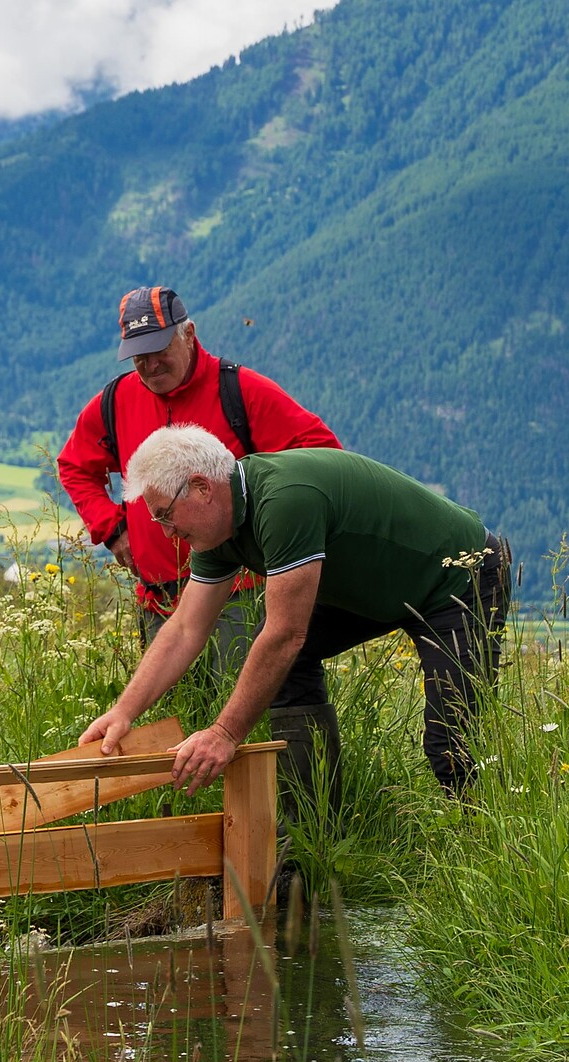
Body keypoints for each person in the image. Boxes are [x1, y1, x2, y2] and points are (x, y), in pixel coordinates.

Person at [80, 425, 511, 795]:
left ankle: (485, 856)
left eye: (166, 516)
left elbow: (286, 635)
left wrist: (224, 734)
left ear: (201, 487)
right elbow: (186, 629)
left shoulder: (285, 501)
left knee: (450, 745)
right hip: (383, 587)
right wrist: (123, 712)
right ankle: (312, 828)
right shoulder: (216, 531)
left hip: (460, 578)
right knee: (282, 666)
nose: (168, 532)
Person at [58, 286, 346, 801]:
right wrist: (112, 526)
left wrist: (274, 535)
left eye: (159, 351)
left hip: (240, 592)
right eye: (137, 356)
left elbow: (321, 454)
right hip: (161, 601)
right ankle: (198, 849)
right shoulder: (114, 402)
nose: (148, 366)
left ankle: (295, 832)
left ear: (189, 334)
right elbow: (75, 466)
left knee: (256, 719)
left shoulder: (240, 391)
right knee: (174, 728)